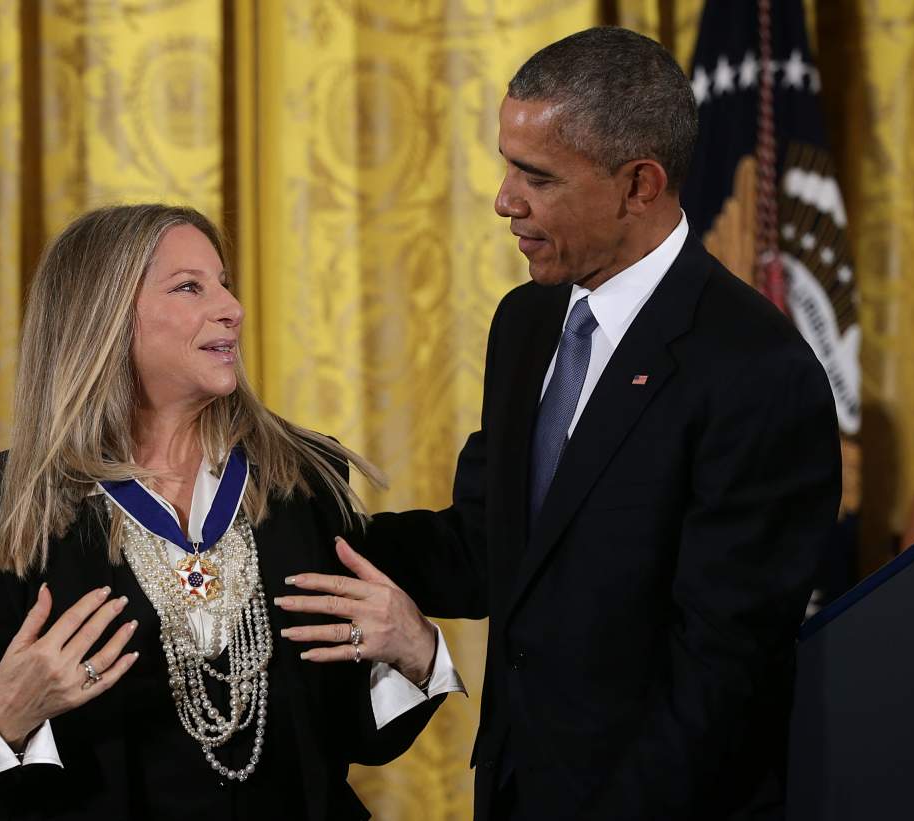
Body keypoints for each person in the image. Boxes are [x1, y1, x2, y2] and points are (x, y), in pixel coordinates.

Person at [277, 26, 842, 820]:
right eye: (508, 164)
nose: (505, 198)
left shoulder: (757, 372)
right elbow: (488, 546)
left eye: (536, 176)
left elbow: (721, 679)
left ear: (639, 185)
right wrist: (283, 534)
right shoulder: (528, 320)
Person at [0, 204, 462, 820]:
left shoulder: (306, 476)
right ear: (103, 315)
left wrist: (419, 653)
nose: (231, 308)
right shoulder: (2, 500)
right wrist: (9, 714)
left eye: (224, 284)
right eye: (189, 287)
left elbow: (355, 739)